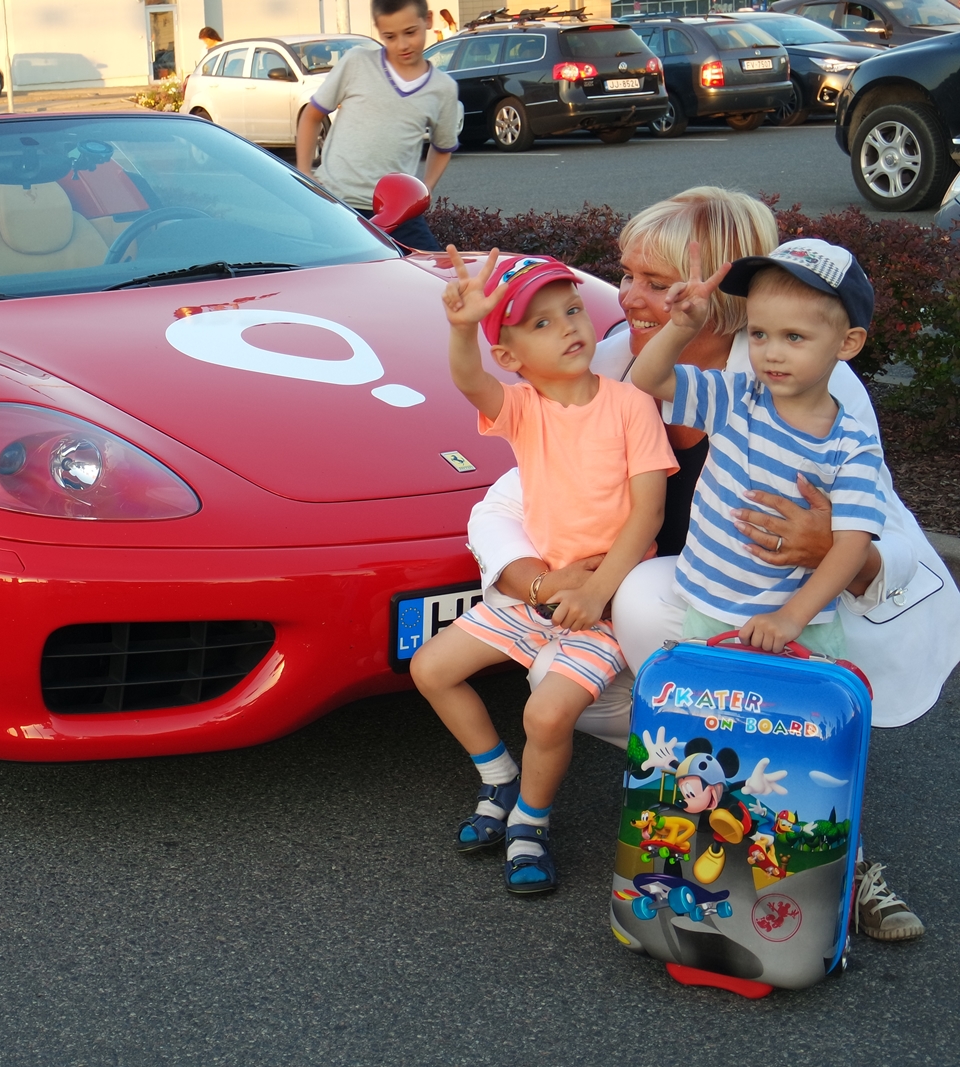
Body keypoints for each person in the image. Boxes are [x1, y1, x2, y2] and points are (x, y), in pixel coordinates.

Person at [466, 187, 959, 939]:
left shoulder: (812, 380)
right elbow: (507, 499)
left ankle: (832, 851)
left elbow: (884, 538)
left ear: (723, 292)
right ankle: (704, 797)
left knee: (656, 609)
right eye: (627, 274)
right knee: (564, 684)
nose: (627, 297)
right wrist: (536, 578)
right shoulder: (615, 363)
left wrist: (831, 549)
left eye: (657, 282)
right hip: (702, 604)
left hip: (807, 610)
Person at [411, 249, 678, 895]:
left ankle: (531, 821)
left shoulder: (631, 405)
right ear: (511, 356)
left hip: (607, 604)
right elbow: (468, 380)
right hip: (538, 596)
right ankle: (498, 777)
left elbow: (648, 513)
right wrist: (462, 327)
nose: (568, 327)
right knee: (431, 668)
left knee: (549, 714)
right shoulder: (524, 408)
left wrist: (597, 589)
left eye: (573, 310)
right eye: (542, 323)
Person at [630, 238, 884, 660]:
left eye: (794, 337)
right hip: (708, 610)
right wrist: (682, 327)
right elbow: (649, 378)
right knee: (713, 702)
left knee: (792, 705)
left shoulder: (852, 447)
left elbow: (851, 545)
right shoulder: (734, 398)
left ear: (848, 343)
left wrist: (791, 618)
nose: (772, 353)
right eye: (759, 334)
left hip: (803, 631)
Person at [295, 0, 459, 252]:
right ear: (378, 30)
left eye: (410, 32)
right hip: (336, 204)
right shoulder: (357, 62)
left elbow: (443, 147)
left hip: (399, 211)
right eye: (390, 36)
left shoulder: (443, 88)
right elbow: (311, 115)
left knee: (433, 269)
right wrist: (304, 172)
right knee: (341, 274)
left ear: (427, 20)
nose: (402, 45)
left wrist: (425, 189)